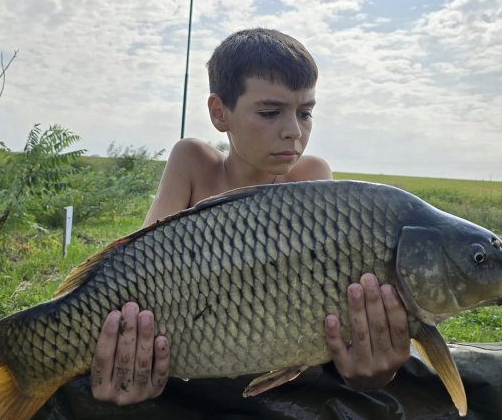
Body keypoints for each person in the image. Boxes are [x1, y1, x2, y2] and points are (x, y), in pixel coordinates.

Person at [90, 28, 410, 407]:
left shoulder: (313, 179)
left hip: (284, 379)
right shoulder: (192, 162)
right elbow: (138, 268)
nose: (293, 131)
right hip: (182, 362)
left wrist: (370, 366)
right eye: (270, 112)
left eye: (305, 113)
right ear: (219, 112)